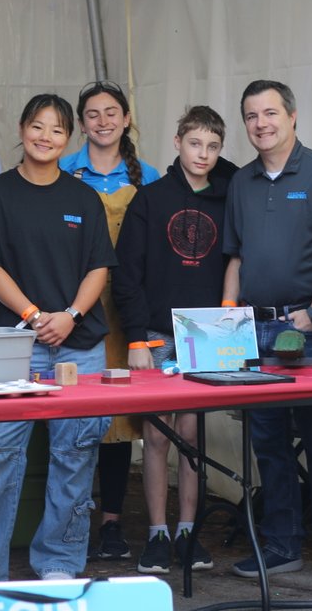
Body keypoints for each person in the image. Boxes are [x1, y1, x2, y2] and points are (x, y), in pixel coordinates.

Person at [0, 94, 117, 582]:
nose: (45, 137)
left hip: (79, 347)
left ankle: (60, 562)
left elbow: (98, 267)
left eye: (57, 130)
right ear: (21, 129)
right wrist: (35, 314)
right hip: (11, 345)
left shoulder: (83, 198)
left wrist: (71, 316)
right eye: (37, 127)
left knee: (74, 458)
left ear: (69, 140)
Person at [221, 80, 312, 581]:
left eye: (271, 112)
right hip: (253, 329)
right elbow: (235, 257)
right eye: (252, 115)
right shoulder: (241, 182)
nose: (262, 123)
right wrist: (228, 318)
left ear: (293, 116)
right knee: (269, 445)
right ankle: (281, 545)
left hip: (306, 331)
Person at [112, 105, 235, 575]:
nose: (202, 154)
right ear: (177, 143)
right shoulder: (151, 198)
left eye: (212, 146)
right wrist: (138, 338)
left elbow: (234, 260)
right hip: (159, 334)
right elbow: (127, 275)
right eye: (194, 143)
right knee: (156, 435)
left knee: (191, 435)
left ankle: (189, 530)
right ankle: (157, 533)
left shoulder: (229, 196)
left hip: (206, 334)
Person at [60, 80, 160, 561]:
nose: (103, 121)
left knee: (119, 421)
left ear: (126, 120)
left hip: (128, 318)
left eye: (111, 112)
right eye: (93, 114)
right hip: (72, 313)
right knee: (76, 419)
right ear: (81, 123)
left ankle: (113, 524)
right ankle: (69, 518)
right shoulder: (60, 171)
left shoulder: (151, 178)